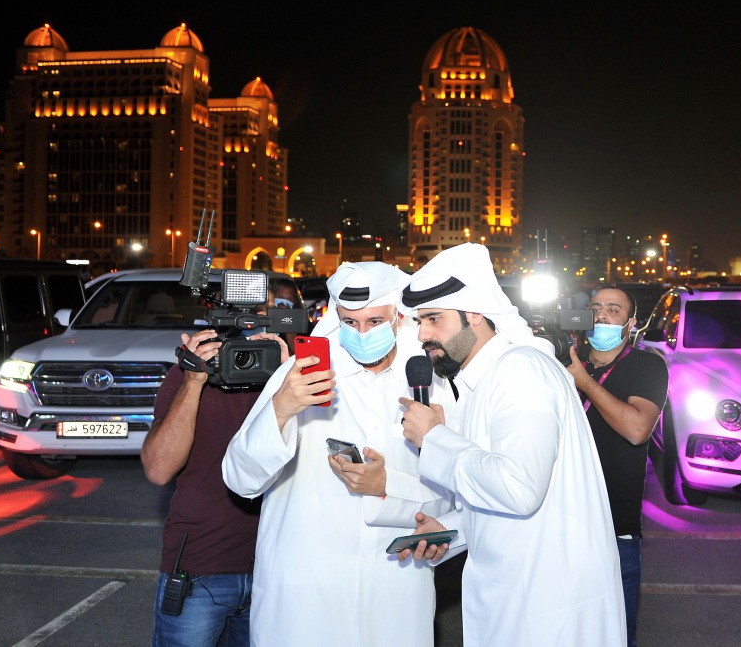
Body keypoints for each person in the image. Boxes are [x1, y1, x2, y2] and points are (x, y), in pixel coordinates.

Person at [397, 242, 626, 647]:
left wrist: (433, 438)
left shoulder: (521, 371)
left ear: (476, 314)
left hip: (546, 602)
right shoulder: (484, 380)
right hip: (515, 593)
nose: (422, 334)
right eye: (419, 321)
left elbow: (519, 489)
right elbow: (497, 489)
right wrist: (451, 529)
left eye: (433, 319)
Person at [222, 262, 457, 647]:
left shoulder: (428, 384)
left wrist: (387, 486)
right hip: (306, 590)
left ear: (399, 318)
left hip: (393, 584)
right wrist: (280, 408)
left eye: (375, 321)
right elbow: (240, 479)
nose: (362, 333)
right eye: (349, 323)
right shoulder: (301, 377)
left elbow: (455, 494)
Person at [141, 288, 291, 646]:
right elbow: (158, 469)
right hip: (201, 569)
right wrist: (193, 379)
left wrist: (286, 374)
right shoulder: (189, 373)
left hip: (276, 567)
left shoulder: (289, 373)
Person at [564, 284, 667, 647]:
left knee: (615, 633)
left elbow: (638, 429)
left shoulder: (646, 365)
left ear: (631, 323)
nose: (603, 315)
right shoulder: (561, 361)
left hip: (613, 526)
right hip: (558, 521)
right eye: (596, 308)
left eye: (614, 309)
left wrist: (584, 382)